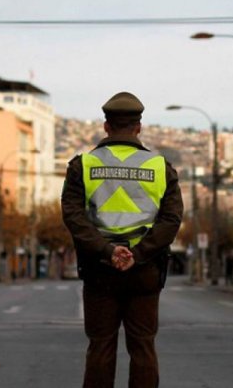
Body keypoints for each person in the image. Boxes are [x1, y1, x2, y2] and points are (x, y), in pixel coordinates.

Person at [61, 91, 183, 388]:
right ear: (139, 127)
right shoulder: (160, 168)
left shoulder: (83, 166)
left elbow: (74, 217)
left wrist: (107, 250)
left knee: (100, 347)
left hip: (99, 270)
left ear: (106, 125)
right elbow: (171, 220)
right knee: (143, 346)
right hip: (144, 271)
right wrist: (138, 254)